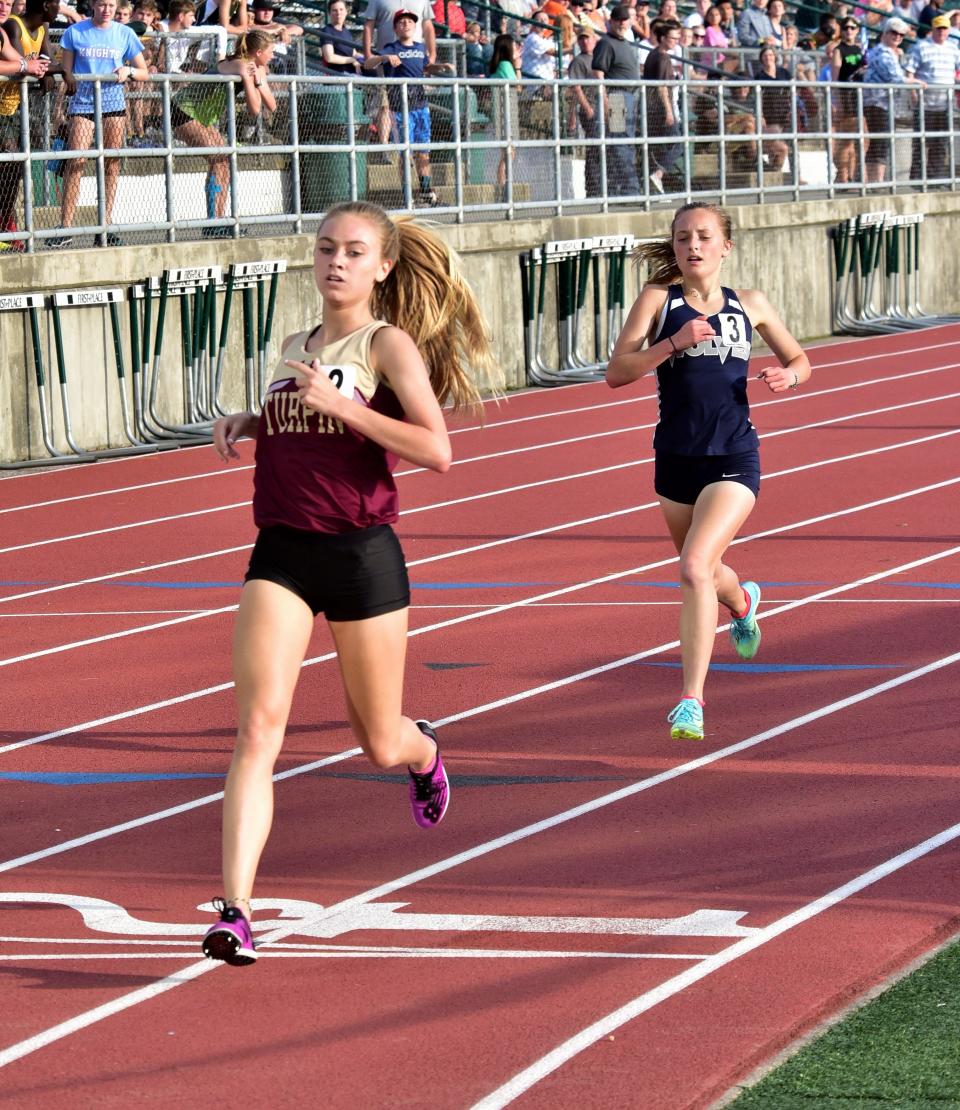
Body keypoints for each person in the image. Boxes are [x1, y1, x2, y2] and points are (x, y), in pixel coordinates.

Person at [201, 200, 497, 966]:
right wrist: (252, 419)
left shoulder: (388, 344)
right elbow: (308, 427)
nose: (336, 262)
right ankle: (236, 909)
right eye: (326, 248)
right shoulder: (295, 343)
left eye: (354, 251)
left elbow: (437, 450)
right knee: (256, 731)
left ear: (382, 266)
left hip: (363, 554)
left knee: (375, 740)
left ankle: (421, 752)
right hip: (283, 552)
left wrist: (347, 408)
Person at [605, 202, 811, 741]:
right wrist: (672, 343)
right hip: (675, 459)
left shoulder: (751, 304)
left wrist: (789, 377)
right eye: (681, 238)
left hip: (733, 457)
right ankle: (743, 601)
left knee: (695, 566)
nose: (691, 246)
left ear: (726, 247)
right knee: (709, 572)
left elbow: (801, 361)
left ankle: (690, 702)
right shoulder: (659, 301)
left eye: (702, 237)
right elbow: (616, 373)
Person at [49, 0, 148, 248]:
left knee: (111, 163)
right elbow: (67, 71)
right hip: (83, 104)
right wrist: (65, 93)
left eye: (111, 5)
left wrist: (129, 71)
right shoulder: (76, 31)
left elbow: (144, 70)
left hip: (113, 104)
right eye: (102, 4)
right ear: (93, 5)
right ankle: (66, 226)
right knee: (76, 161)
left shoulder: (124, 33)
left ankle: (104, 225)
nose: (106, 10)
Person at [170, 28, 276, 235]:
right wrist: (249, 80)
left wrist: (259, 80)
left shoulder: (258, 68)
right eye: (270, 51)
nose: (273, 56)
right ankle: (214, 222)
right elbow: (255, 109)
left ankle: (217, 220)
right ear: (258, 53)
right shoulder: (239, 63)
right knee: (220, 158)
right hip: (184, 111)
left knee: (224, 161)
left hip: (202, 117)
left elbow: (271, 105)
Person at [366, 8, 454, 207]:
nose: (406, 24)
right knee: (405, 153)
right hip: (400, 108)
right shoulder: (391, 47)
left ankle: (426, 192)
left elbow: (423, 67)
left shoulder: (420, 47)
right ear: (395, 28)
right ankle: (407, 196)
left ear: (415, 27)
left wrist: (439, 67)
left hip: (420, 106)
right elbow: (369, 62)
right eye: (401, 22)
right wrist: (384, 59)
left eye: (410, 22)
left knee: (423, 152)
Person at [0, 0, 53, 250]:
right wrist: (24, 66)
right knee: (9, 160)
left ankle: (5, 225)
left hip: (8, 109)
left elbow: (20, 60)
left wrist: (45, 70)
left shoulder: (1, 32)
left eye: (7, 3)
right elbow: (20, 64)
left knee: (14, 165)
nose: (3, 7)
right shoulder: (12, 26)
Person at [861, 16, 924, 182]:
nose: (897, 37)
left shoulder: (891, 53)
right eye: (893, 33)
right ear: (885, 33)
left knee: (881, 143)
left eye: (901, 35)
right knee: (879, 143)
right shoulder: (882, 52)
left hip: (884, 104)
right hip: (877, 103)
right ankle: (875, 181)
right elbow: (895, 78)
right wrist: (916, 81)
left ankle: (877, 180)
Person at [591, 2, 640, 195]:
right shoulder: (606, 42)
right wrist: (604, 100)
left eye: (624, 20)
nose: (621, 23)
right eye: (618, 20)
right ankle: (629, 189)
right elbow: (598, 73)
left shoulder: (624, 42)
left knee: (626, 143)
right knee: (620, 143)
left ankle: (622, 188)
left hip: (628, 97)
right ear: (610, 22)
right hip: (617, 97)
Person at [904, 12, 958, 180]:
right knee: (920, 142)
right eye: (938, 28)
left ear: (948, 30)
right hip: (924, 104)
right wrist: (913, 95)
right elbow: (909, 73)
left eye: (944, 28)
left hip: (945, 104)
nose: (941, 31)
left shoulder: (953, 48)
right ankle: (917, 178)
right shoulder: (920, 46)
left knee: (941, 143)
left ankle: (937, 178)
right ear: (932, 29)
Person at [643, 17, 682, 193]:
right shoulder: (662, 57)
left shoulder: (653, 54)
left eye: (677, 38)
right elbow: (661, 87)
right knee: (678, 142)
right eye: (672, 38)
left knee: (657, 146)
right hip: (660, 108)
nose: (675, 42)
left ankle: (654, 180)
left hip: (652, 108)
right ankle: (658, 174)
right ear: (663, 38)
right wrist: (669, 111)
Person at [830, 15, 865, 182]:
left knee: (861, 138)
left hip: (859, 97)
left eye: (853, 27)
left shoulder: (859, 49)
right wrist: (836, 102)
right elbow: (836, 79)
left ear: (857, 30)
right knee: (848, 139)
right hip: (846, 96)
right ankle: (842, 174)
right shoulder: (839, 50)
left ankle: (850, 173)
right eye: (846, 28)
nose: (849, 31)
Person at [567, 18, 600, 193]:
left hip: (603, 107)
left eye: (587, 38)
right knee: (594, 149)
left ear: (594, 39)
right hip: (591, 109)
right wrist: (587, 108)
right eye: (581, 38)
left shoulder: (599, 57)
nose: (585, 41)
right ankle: (593, 188)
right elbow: (576, 88)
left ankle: (603, 184)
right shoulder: (579, 61)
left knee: (606, 148)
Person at [487, 30, 520, 198]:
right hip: (504, 111)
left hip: (506, 110)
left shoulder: (502, 64)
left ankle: (505, 187)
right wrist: (518, 65)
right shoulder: (505, 65)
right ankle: (503, 188)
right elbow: (518, 86)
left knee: (508, 152)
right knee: (507, 152)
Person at [318, 0, 362, 73]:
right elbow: (330, 57)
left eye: (341, 9)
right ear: (329, 13)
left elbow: (354, 53)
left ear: (346, 12)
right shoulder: (327, 31)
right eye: (335, 10)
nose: (338, 13)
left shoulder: (347, 32)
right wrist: (352, 60)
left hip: (352, 73)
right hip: (337, 75)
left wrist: (366, 58)